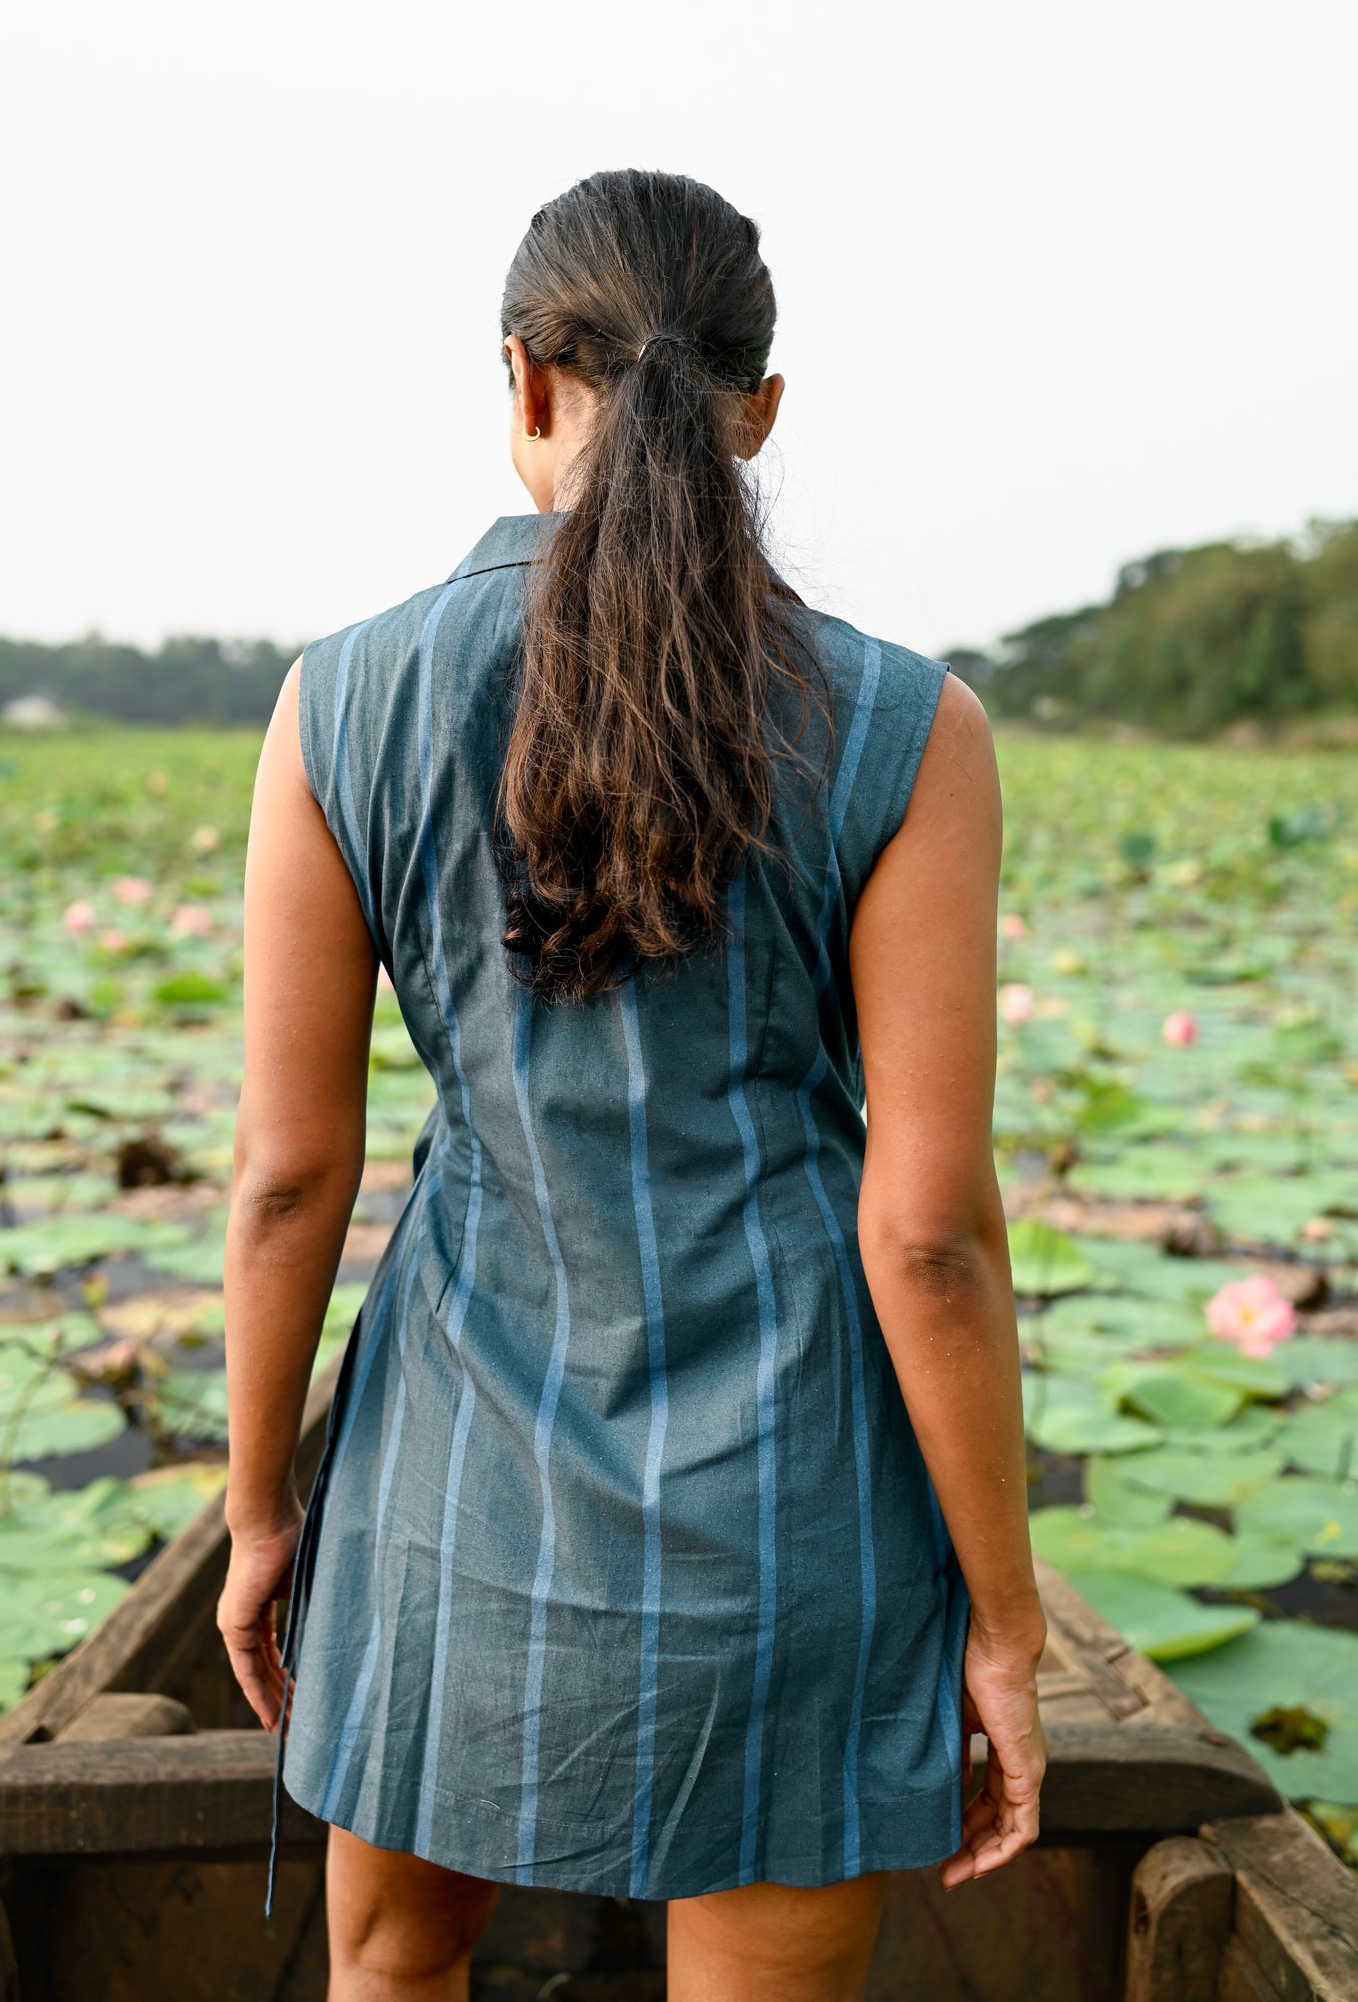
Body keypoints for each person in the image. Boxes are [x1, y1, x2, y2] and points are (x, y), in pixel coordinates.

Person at [218, 169, 1046, 2002]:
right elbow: (924, 1238)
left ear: (521, 382)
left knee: (393, 1970)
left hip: (448, 1489)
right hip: (793, 1511)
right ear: (761, 409)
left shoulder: (334, 704)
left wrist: (264, 1505)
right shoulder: (909, 726)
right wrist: (1002, 1622)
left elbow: (289, 1179)